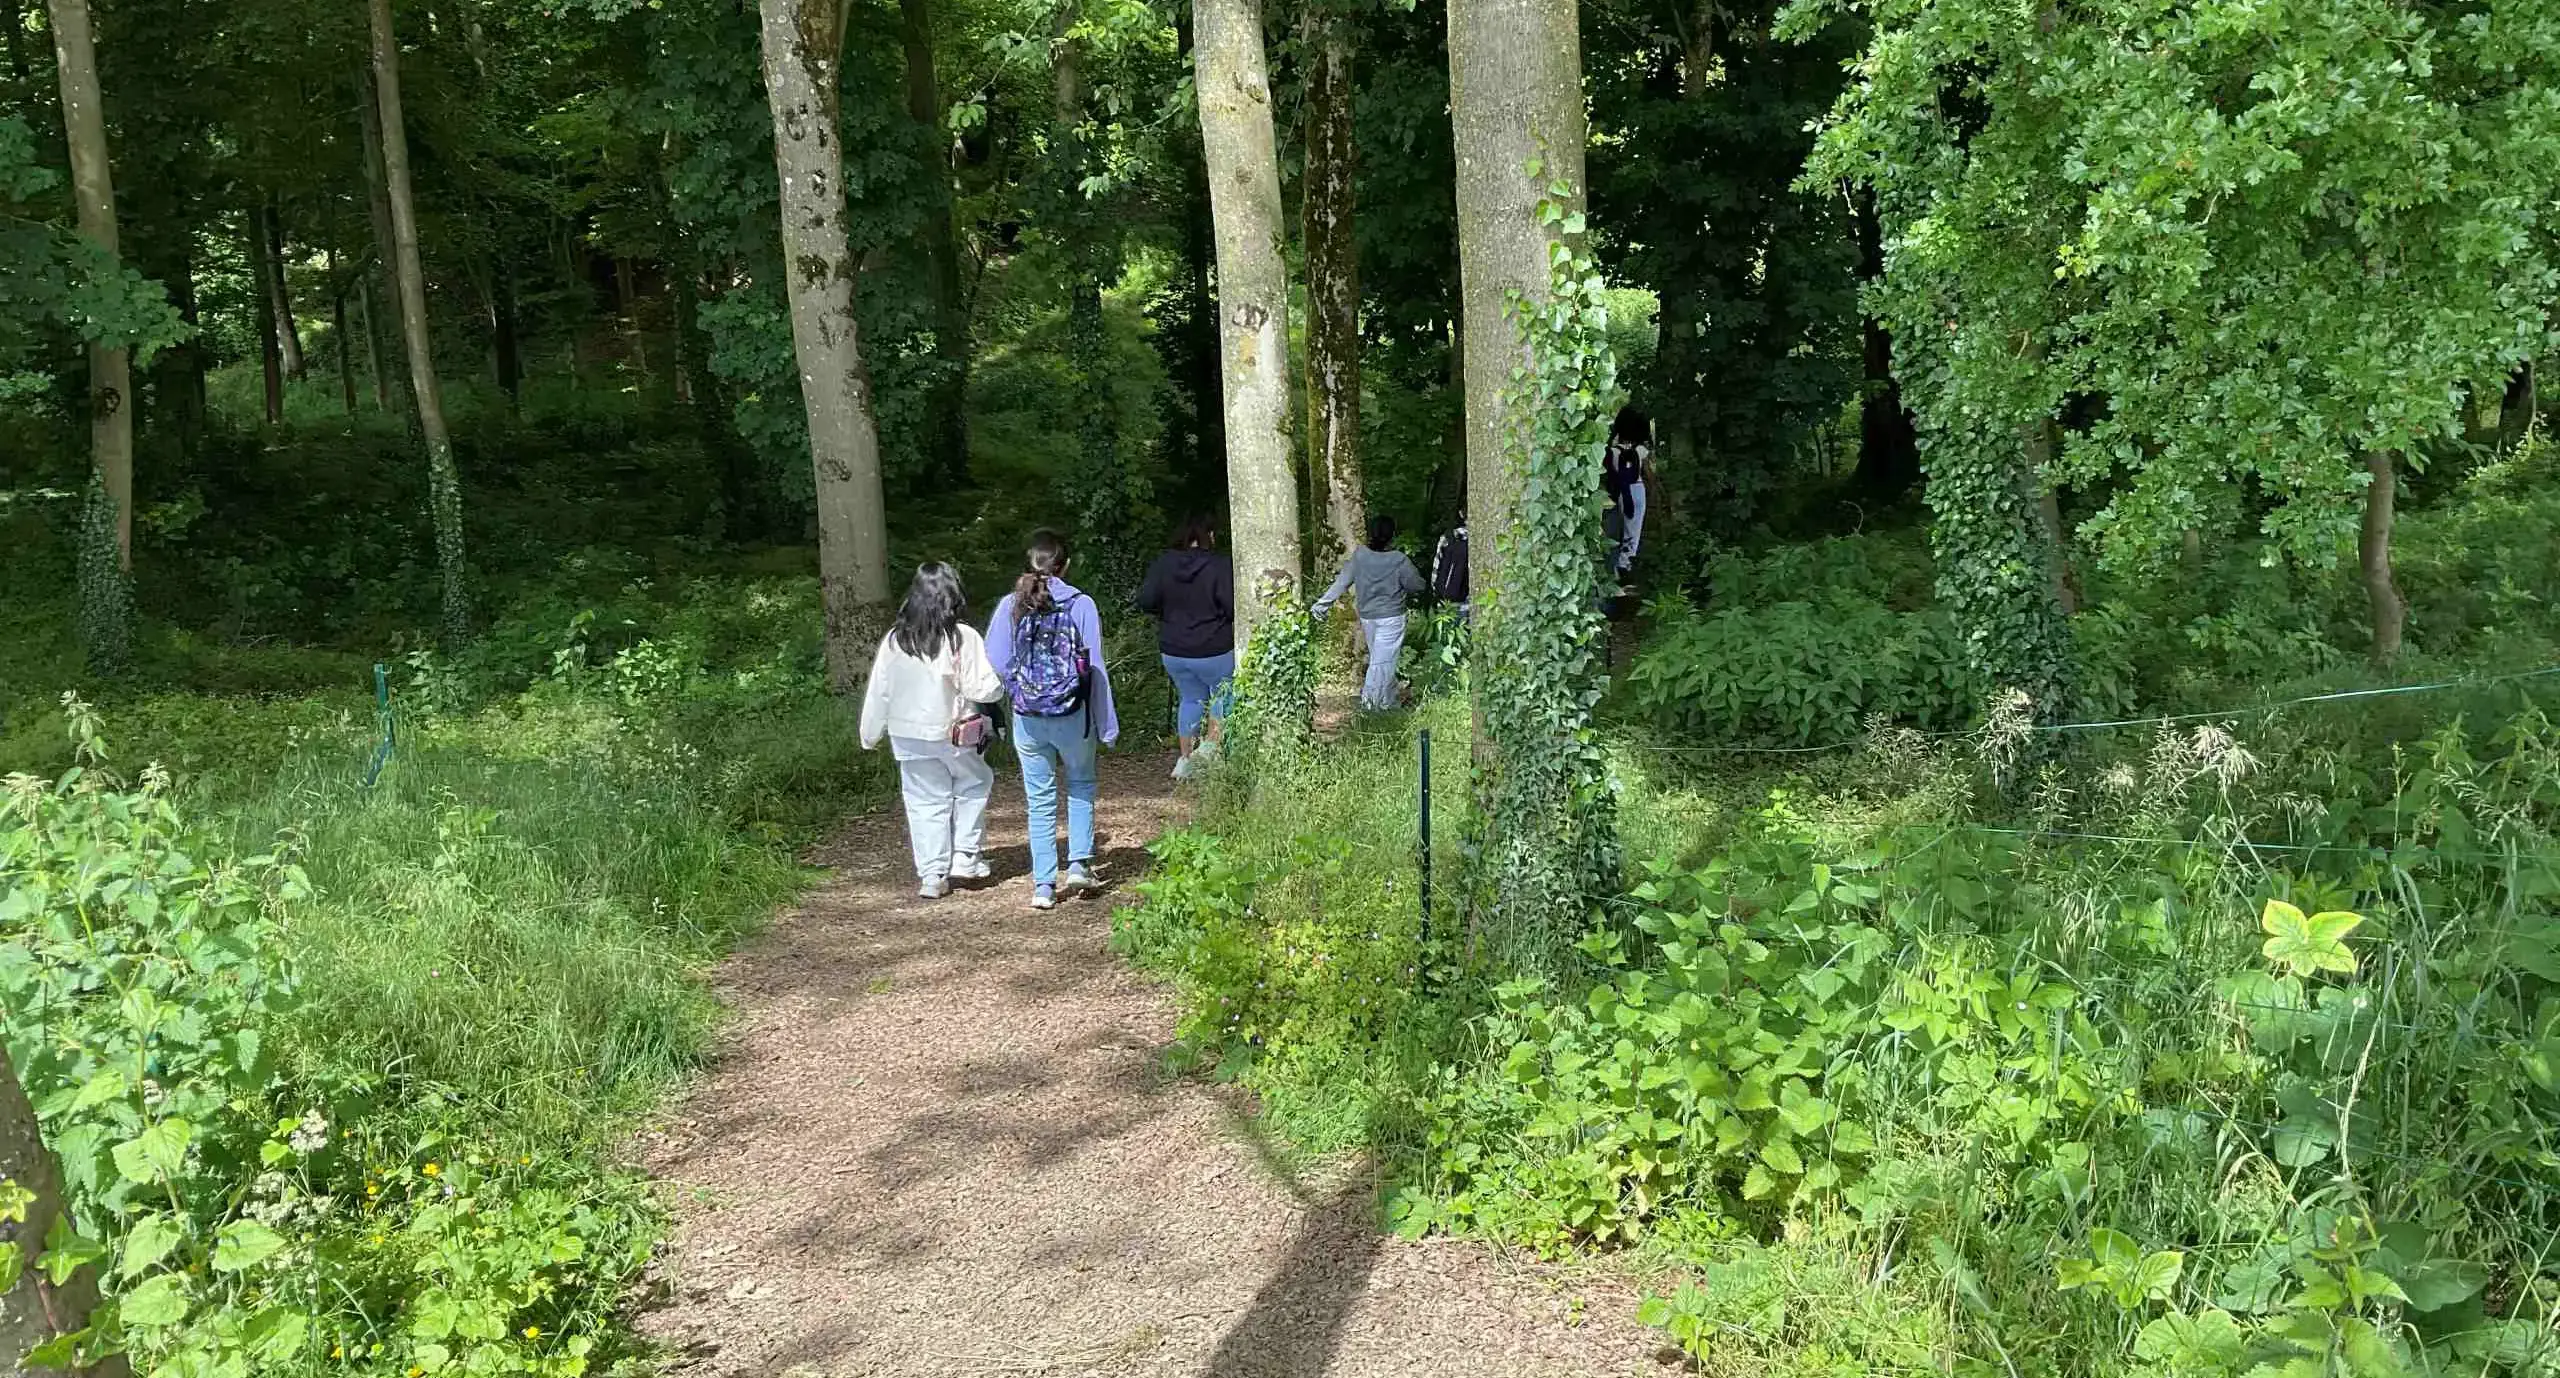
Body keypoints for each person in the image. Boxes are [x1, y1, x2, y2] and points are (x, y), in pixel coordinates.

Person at [987, 529, 1120, 910]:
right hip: (1072, 714)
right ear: (1066, 564)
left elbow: (995, 660)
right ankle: (1079, 863)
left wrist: (1019, 686)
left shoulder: (1011, 604)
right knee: (1080, 783)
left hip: (1027, 716)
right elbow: (1095, 667)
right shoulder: (1081, 604)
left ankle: (1043, 885)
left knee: (1039, 799)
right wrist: (1106, 723)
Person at [859, 562, 1004, 900]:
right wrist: (999, 689)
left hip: (908, 736)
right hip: (957, 735)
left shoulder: (897, 640)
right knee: (973, 785)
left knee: (924, 803)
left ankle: (932, 875)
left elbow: (880, 690)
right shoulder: (962, 637)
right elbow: (983, 689)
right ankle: (966, 856)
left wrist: (870, 733)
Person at [1136, 514, 1234, 781]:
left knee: (1190, 699)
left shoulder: (1163, 563)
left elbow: (1145, 600)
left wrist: (1168, 613)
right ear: (1208, 536)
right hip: (1215, 648)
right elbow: (1231, 606)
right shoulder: (1219, 565)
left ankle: (1185, 760)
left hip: (1174, 650)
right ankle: (1211, 750)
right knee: (1223, 695)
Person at [1312, 514, 1427, 711]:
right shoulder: (1399, 560)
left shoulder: (1360, 556)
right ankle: (1370, 708)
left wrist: (1322, 605)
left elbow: (1342, 582)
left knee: (1382, 662)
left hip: (1368, 618)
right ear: (1392, 535)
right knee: (1381, 664)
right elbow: (1416, 585)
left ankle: (1389, 705)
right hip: (1391, 618)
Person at [1607, 406, 1654, 575]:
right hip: (1636, 489)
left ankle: (1611, 566)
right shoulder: (1641, 451)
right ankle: (1625, 565)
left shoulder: (1612, 451)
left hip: (1615, 491)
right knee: (1632, 531)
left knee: (1612, 530)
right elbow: (1648, 474)